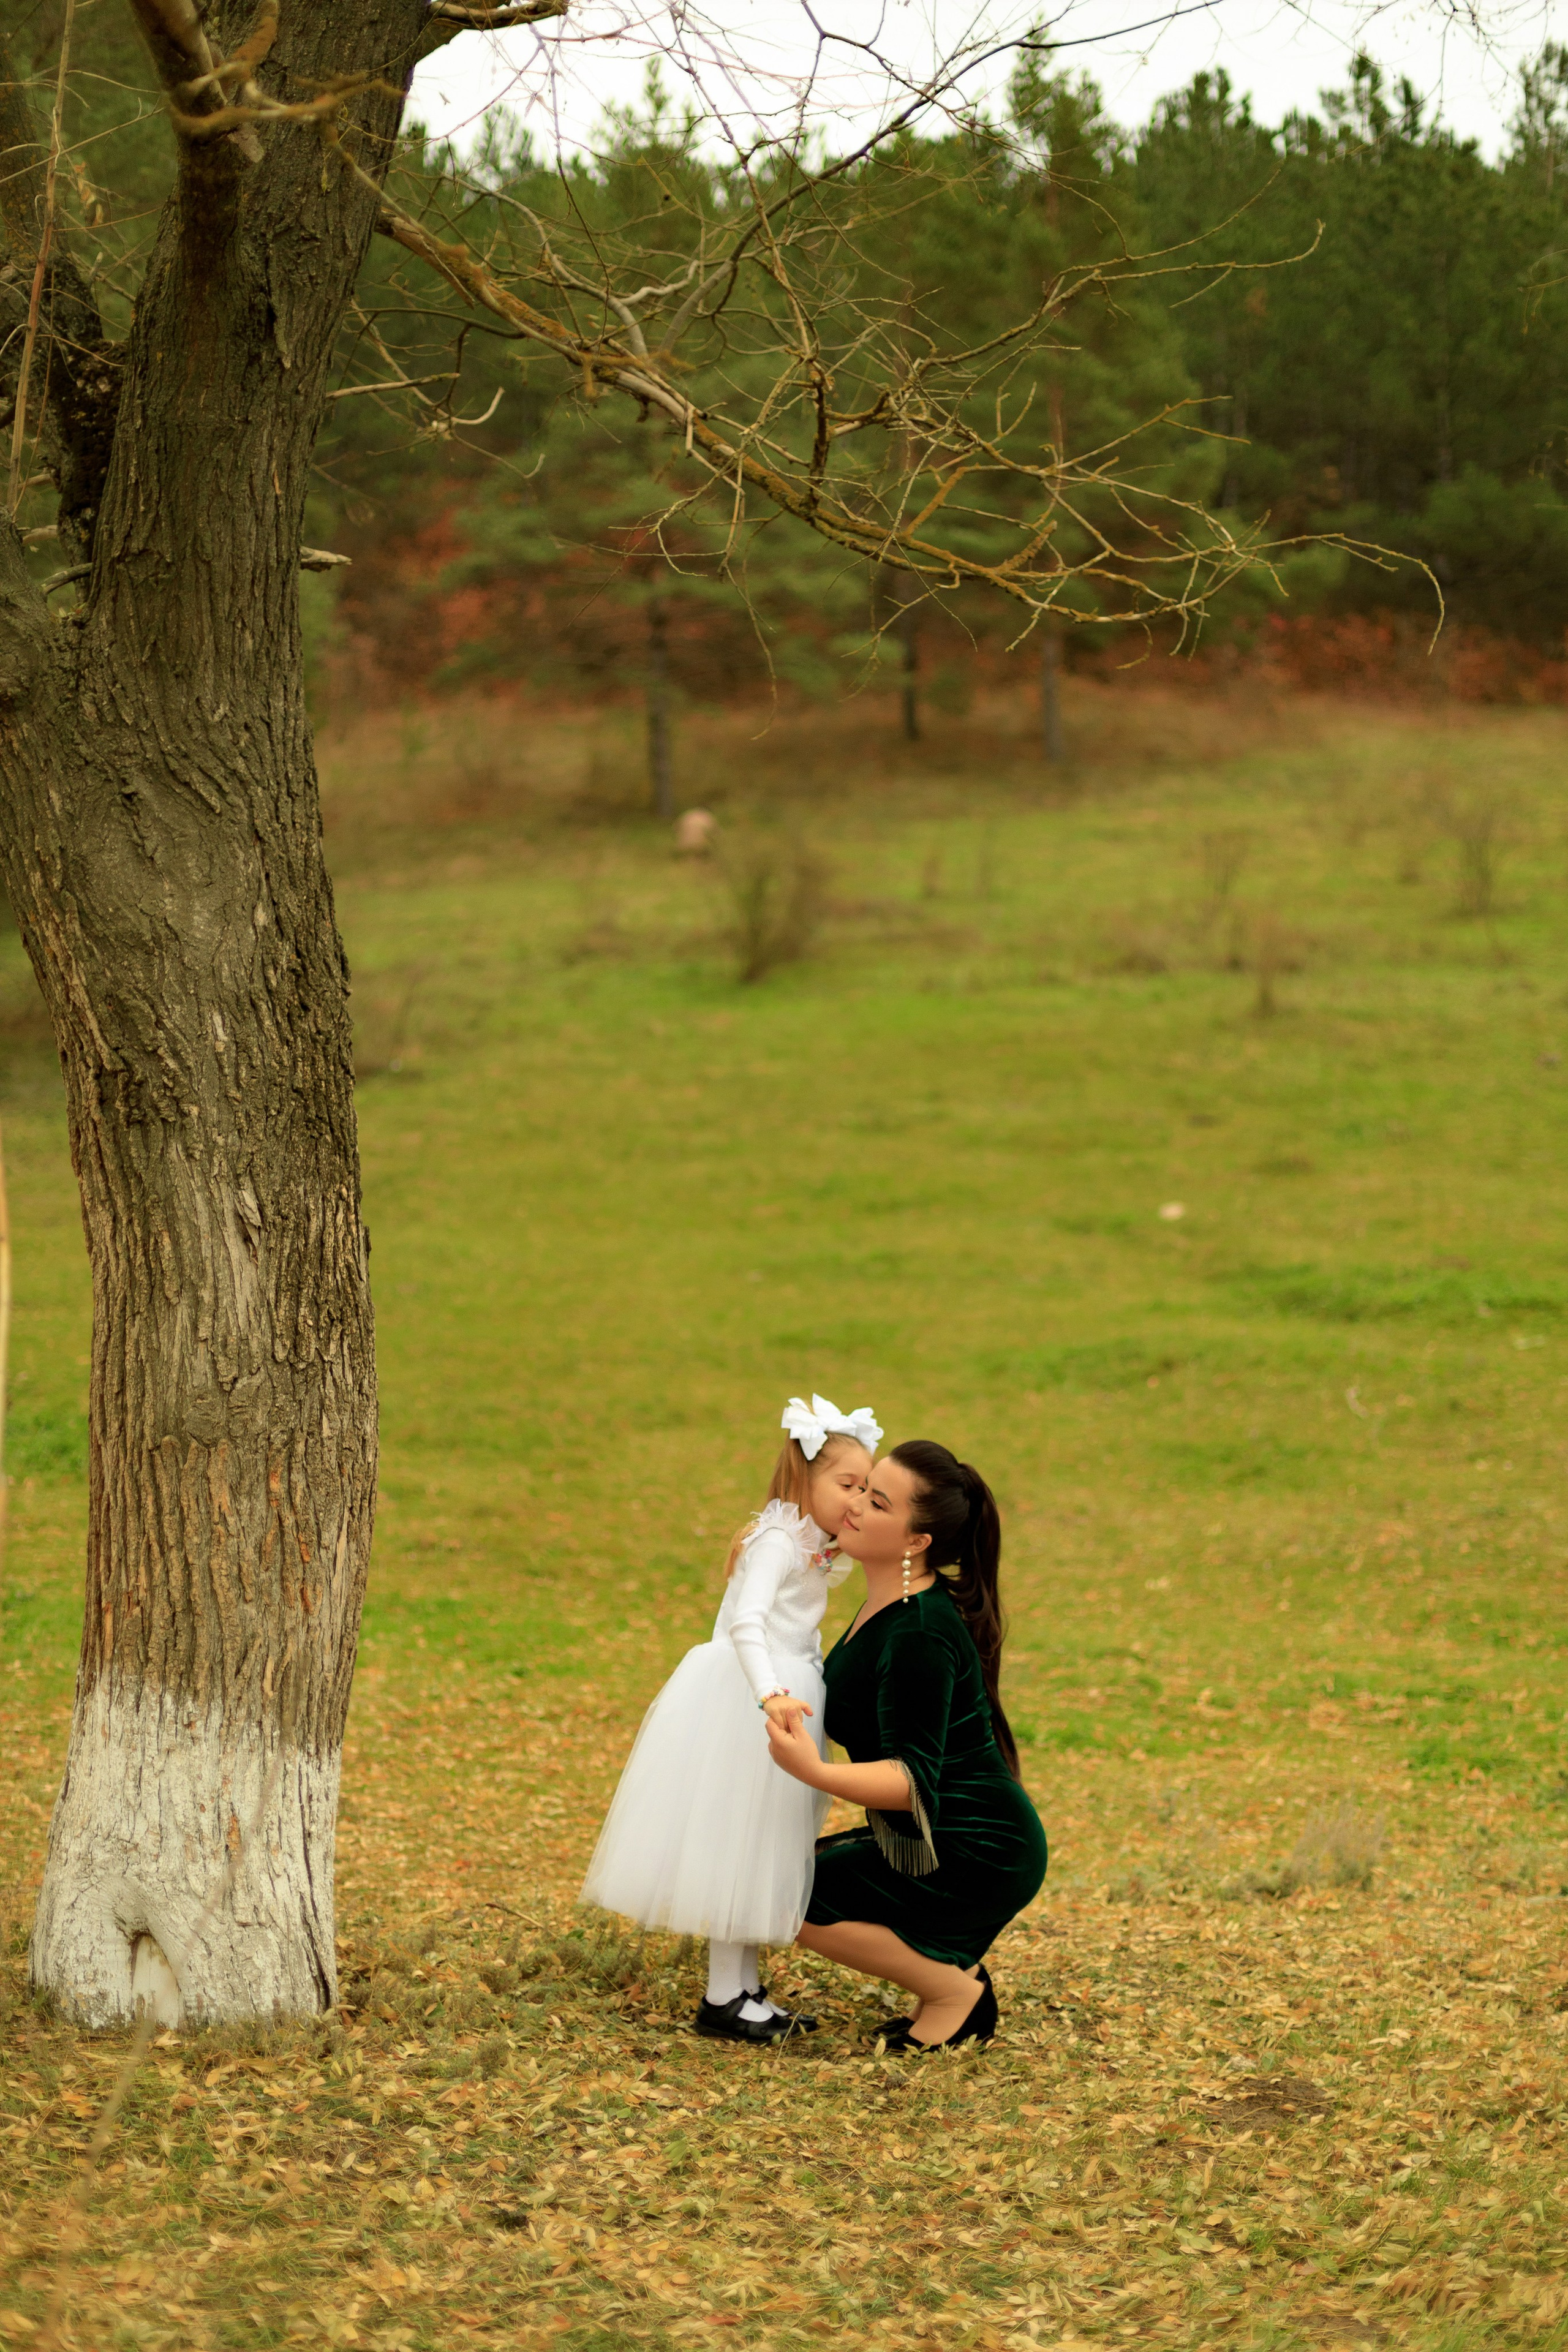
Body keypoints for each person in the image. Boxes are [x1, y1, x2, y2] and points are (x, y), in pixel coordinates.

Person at [580, 1393, 881, 2043]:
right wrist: (769, 1691)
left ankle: (741, 1990)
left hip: (790, 1688)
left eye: (867, 1488)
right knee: (739, 1839)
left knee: (763, 1841)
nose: (857, 1500)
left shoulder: (812, 1540)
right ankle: (724, 1997)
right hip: (751, 1696)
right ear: (805, 1478)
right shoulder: (777, 1540)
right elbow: (745, 1621)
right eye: (847, 1485)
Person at [764, 1440, 1047, 2049]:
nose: (857, 1506)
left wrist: (810, 1770)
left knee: (789, 1895)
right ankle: (951, 1983)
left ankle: (955, 1993)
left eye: (878, 1502)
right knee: (790, 1877)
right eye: (862, 1489)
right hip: (940, 1833)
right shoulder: (890, 1600)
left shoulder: (917, 1631)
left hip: (978, 1847)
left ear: (916, 1542)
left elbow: (908, 1780)